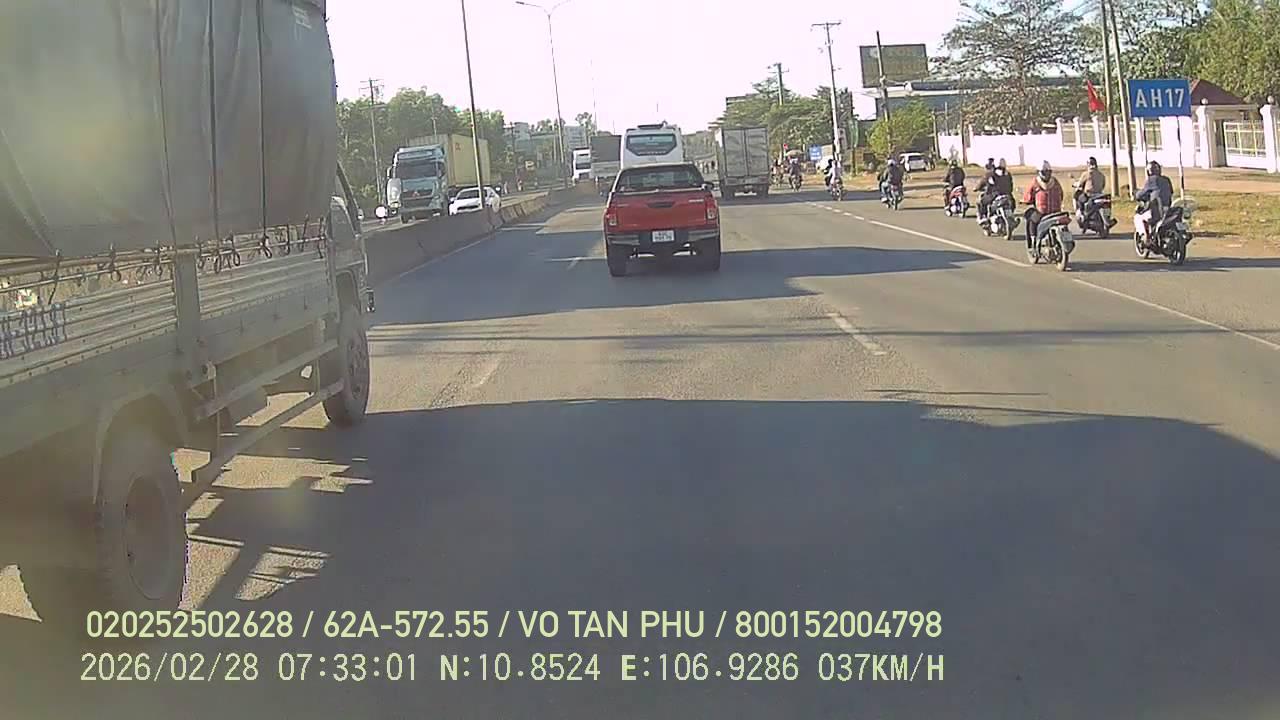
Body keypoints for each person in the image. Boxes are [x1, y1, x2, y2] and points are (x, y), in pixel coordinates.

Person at [1022, 162, 1065, 249]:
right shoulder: (1055, 182)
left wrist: (1024, 201)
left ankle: (1033, 240)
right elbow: (1061, 194)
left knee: (1030, 216)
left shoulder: (1035, 182)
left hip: (1042, 213)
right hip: (1056, 212)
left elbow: (1028, 197)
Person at [1134, 161, 1175, 244]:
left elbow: (1142, 193)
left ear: (1149, 171)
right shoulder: (1166, 179)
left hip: (1157, 206)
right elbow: (1171, 191)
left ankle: (1148, 238)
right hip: (1168, 205)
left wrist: (1136, 194)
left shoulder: (1151, 180)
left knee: (1144, 217)